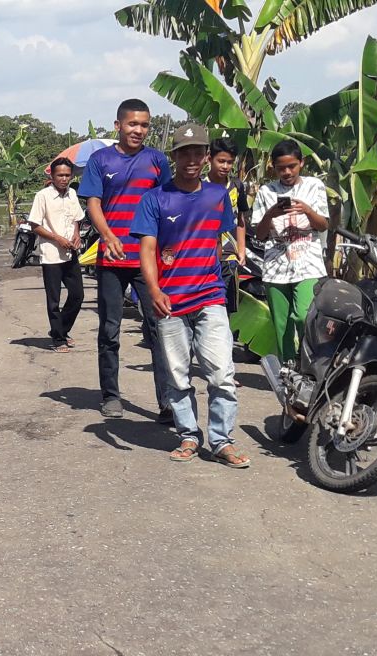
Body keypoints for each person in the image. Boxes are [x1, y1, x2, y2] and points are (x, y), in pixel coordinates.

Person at [133, 123, 250, 468]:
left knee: (221, 373)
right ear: (174, 156)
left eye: (198, 152)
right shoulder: (154, 199)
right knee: (178, 375)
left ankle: (221, 440)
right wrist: (153, 290)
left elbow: (219, 240)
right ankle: (188, 435)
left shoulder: (217, 197)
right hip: (169, 301)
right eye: (184, 152)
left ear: (206, 157)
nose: (192, 159)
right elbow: (147, 248)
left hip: (209, 296)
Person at [80, 98, 174, 420]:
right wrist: (108, 237)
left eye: (144, 125)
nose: (138, 130)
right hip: (110, 262)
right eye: (132, 124)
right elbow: (93, 203)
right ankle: (110, 395)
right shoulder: (100, 160)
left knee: (159, 330)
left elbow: (168, 204)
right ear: (118, 125)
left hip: (148, 263)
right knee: (109, 329)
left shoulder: (158, 161)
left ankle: (166, 402)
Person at [250, 139, 330, 361]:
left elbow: (323, 225)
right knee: (281, 324)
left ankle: (309, 361)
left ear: (301, 163)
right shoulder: (266, 191)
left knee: (305, 316)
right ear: (273, 167)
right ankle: (288, 367)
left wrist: (306, 209)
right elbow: (259, 234)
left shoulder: (314, 186)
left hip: (309, 265)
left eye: (291, 166)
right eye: (281, 168)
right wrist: (270, 214)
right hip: (276, 267)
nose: (286, 172)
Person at [28, 157, 85, 352]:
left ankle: (61, 329)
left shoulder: (72, 194)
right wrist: (57, 238)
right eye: (60, 175)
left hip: (70, 253)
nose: (64, 179)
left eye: (67, 175)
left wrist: (76, 235)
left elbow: (77, 218)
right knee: (54, 299)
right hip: (52, 254)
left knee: (77, 295)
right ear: (52, 176)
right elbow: (35, 225)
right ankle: (59, 338)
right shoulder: (42, 196)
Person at [207, 137, 249, 312]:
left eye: (229, 162)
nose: (225, 166)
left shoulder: (237, 187)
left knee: (226, 304)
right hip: (206, 254)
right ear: (209, 159)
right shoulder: (199, 185)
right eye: (221, 161)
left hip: (229, 255)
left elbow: (241, 220)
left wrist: (241, 249)